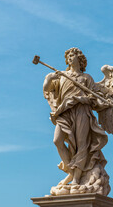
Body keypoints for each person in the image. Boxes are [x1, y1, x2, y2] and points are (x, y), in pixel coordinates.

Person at [43, 47, 108, 186]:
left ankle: (77, 179)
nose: (70, 58)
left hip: (81, 111)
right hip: (65, 112)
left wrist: (99, 100)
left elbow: (95, 98)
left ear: (80, 59)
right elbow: (47, 89)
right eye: (69, 56)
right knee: (57, 141)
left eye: (73, 55)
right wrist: (48, 79)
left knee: (81, 144)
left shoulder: (86, 78)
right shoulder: (61, 76)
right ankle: (71, 173)